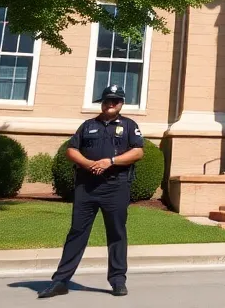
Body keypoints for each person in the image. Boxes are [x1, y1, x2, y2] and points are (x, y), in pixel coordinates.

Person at [39, 84, 145, 299]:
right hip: (87, 187)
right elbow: (71, 149)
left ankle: (117, 280)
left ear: (122, 104)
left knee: (116, 233)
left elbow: (138, 151)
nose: (111, 104)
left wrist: (110, 161)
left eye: (115, 101)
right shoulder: (88, 125)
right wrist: (88, 163)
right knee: (77, 232)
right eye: (107, 100)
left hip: (115, 186)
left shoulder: (129, 126)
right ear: (102, 103)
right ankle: (60, 281)